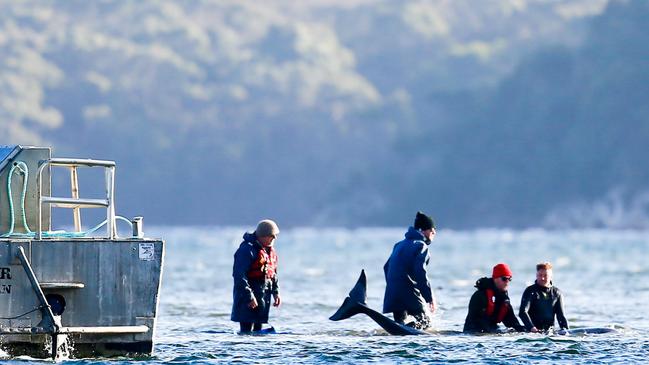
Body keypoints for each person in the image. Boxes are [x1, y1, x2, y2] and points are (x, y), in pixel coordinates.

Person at [382, 211, 437, 329]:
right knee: (426, 323)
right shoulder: (421, 246)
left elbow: (386, 267)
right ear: (423, 230)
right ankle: (410, 329)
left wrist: (394, 286)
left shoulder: (398, 245)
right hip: (409, 294)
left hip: (392, 294)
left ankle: (405, 328)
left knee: (399, 326)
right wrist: (429, 297)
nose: (434, 233)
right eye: (432, 230)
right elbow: (420, 273)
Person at [231, 219, 281, 333]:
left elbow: (273, 273)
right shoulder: (246, 250)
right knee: (246, 331)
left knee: (258, 333)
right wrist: (249, 296)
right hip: (246, 300)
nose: (274, 239)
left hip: (263, 299)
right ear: (262, 236)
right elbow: (239, 275)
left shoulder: (269, 251)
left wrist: (276, 292)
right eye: (272, 236)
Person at [463, 263, 525, 333]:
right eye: (504, 279)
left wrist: (526, 330)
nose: (507, 282)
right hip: (473, 332)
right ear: (495, 278)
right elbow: (478, 320)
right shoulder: (480, 295)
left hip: (492, 331)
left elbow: (511, 321)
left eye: (509, 279)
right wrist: (496, 332)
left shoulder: (504, 298)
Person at [519, 262, 569, 332]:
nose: (542, 278)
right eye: (540, 275)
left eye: (545, 275)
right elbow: (522, 312)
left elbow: (561, 317)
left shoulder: (557, 293)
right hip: (531, 332)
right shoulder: (530, 291)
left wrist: (566, 332)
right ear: (536, 275)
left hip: (549, 333)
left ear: (551, 277)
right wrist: (532, 328)